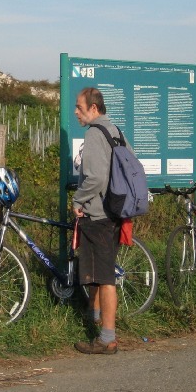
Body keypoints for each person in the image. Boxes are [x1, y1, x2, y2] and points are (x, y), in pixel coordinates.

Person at [72, 87, 123, 354]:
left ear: (94, 108)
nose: (76, 112)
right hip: (114, 213)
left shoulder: (94, 133)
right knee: (96, 273)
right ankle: (93, 320)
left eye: (79, 107)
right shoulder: (115, 131)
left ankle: (107, 338)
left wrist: (78, 200)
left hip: (99, 214)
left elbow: (95, 178)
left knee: (104, 278)